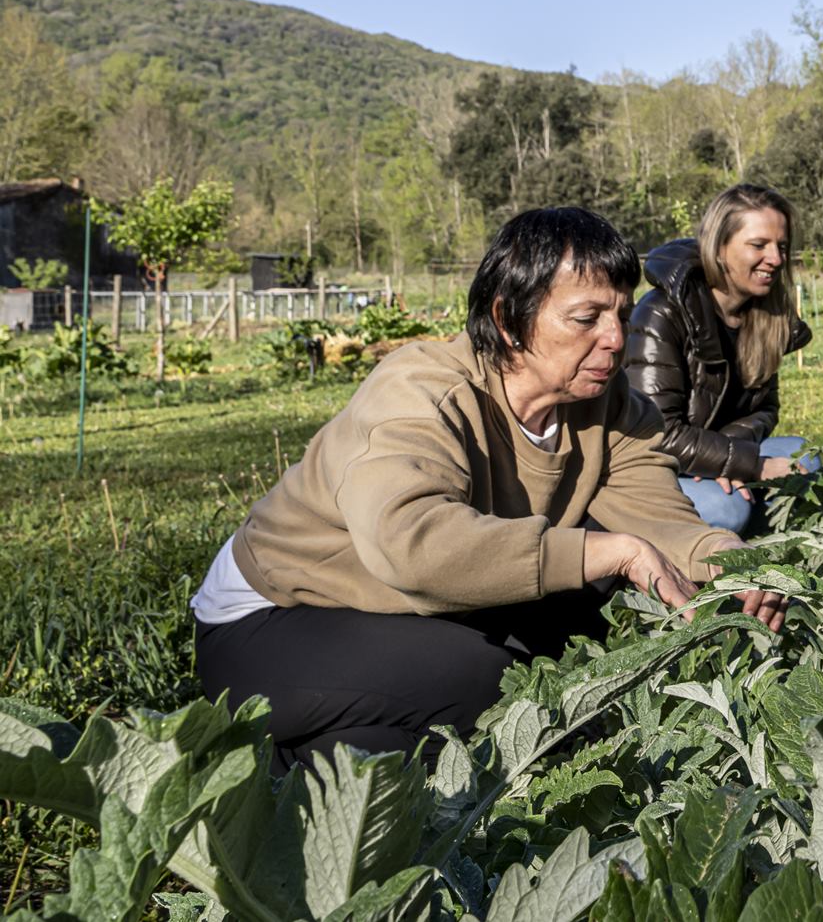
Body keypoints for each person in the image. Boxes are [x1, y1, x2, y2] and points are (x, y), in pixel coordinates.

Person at [192, 207, 785, 771]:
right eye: (586, 318)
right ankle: (252, 768)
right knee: (500, 683)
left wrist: (726, 563)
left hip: (405, 608)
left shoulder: (607, 406)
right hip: (278, 618)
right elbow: (413, 543)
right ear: (508, 320)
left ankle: (347, 755)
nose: (614, 339)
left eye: (620, 315)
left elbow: (658, 513)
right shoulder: (421, 391)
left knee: (576, 647)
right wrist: (610, 550)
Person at [623, 183, 814, 535]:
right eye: (759, 245)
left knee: (805, 456)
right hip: (656, 466)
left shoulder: (765, 318)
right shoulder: (662, 314)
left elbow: (765, 408)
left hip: (708, 452)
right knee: (728, 510)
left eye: (781, 246)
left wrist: (726, 458)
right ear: (719, 248)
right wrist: (750, 465)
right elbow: (655, 432)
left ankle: (755, 535)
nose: (775, 258)